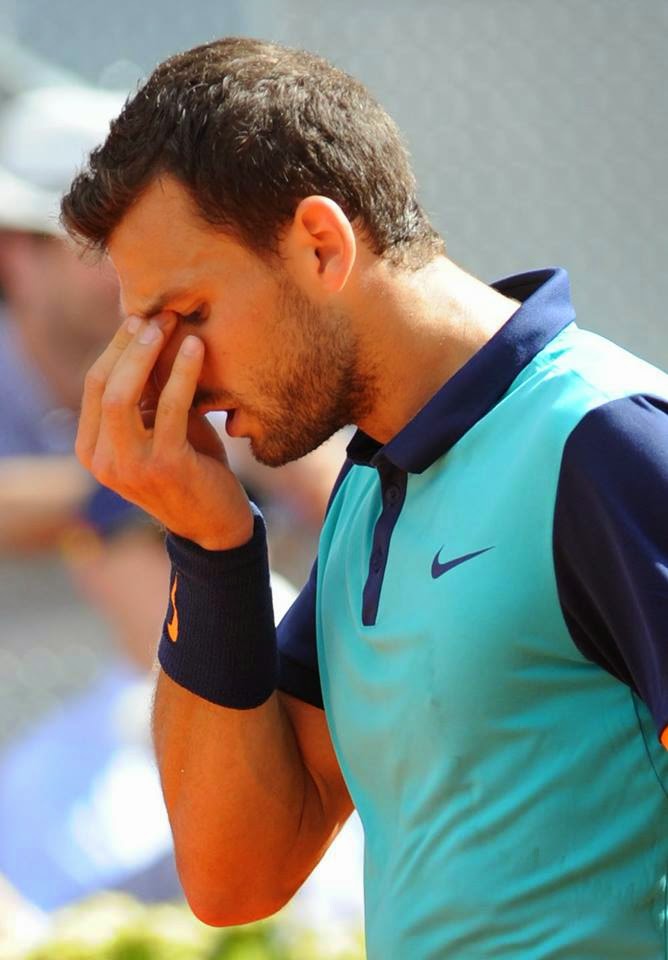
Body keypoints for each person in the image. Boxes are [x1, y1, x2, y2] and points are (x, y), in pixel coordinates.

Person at [60, 37, 668, 959]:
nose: (172, 373)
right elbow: (235, 877)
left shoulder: (607, 442)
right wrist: (210, 544)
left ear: (321, 245)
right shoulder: (368, 494)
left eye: (188, 315)